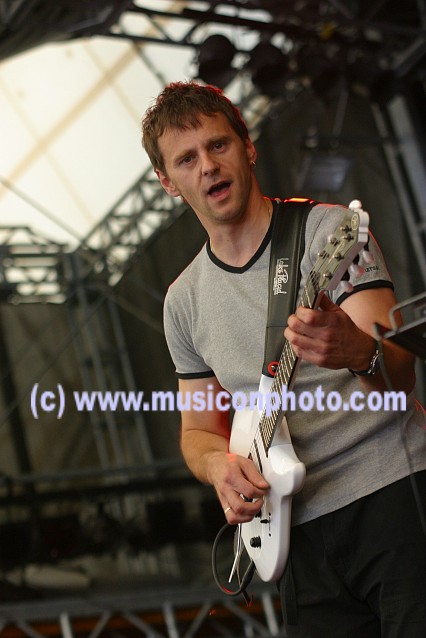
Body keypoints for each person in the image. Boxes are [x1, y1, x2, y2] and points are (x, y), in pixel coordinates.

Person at [141, 81, 426, 637]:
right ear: (167, 181)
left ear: (247, 147)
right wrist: (218, 467)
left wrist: (356, 350)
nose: (208, 166)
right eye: (186, 159)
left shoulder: (329, 232)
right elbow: (198, 430)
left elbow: (401, 374)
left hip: (392, 493)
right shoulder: (183, 302)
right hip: (294, 533)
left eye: (218, 145)